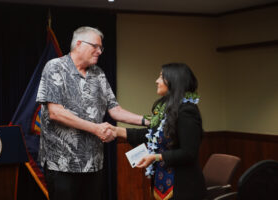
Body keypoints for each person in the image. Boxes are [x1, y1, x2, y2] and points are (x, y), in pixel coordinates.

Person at [36, 26, 147, 200]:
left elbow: (115, 110)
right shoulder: (55, 67)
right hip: (62, 165)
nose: (99, 51)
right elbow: (56, 113)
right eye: (95, 46)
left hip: (93, 164)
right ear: (78, 44)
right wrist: (95, 128)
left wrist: (149, 121)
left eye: (101, 48)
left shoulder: (99, 74)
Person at [114, 63, 207, 200]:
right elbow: (151, 136)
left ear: (174, 82)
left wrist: (155, 157)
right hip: (162, 181)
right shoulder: (167, 109)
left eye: (161, 77)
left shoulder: (187, 110)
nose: (156, 81)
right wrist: (117, 131)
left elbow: (188, 153)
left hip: (184, 188)